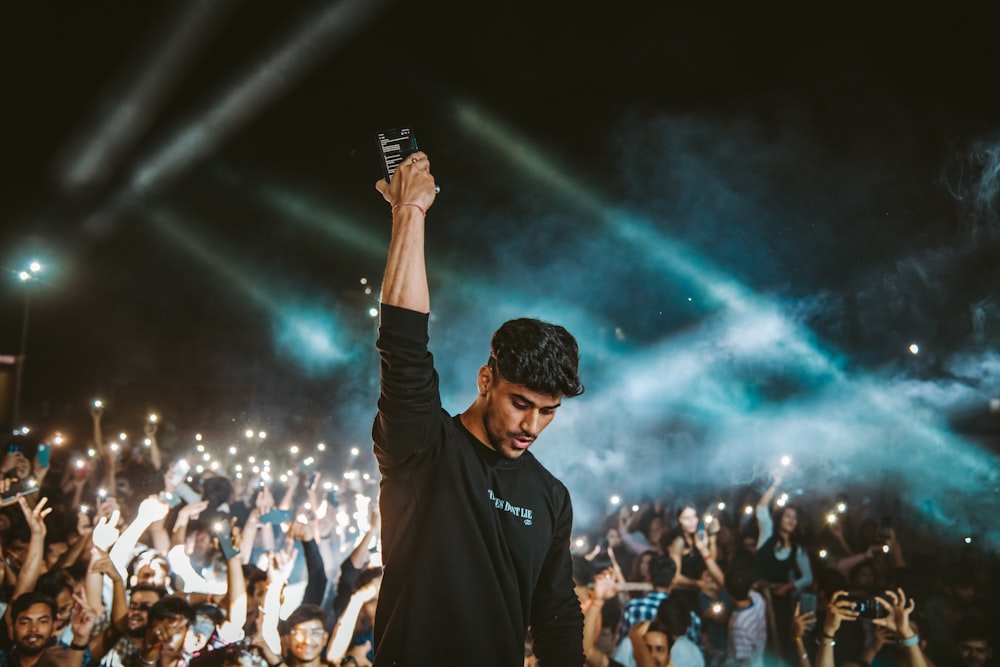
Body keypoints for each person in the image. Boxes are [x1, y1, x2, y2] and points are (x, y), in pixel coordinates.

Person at [371, 151, 586, 665]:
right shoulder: (425, 447)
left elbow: (555, 613)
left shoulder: (551, 497)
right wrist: (410, 213)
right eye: (521, 403)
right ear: (486, 379)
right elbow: (403, 347)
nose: (531, 425)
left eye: (548, 411)